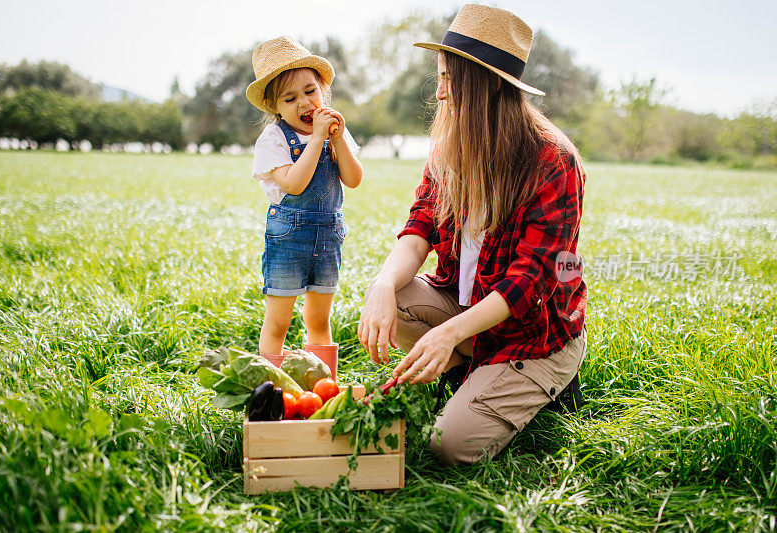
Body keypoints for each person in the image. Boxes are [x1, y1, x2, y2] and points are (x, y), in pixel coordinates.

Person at [358, 4, 588, 465]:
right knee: (395, 297)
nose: (439, 93)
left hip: (533, 333)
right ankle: (473, 368)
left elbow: (528, 283)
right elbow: (419, 227)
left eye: (448, 79)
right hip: (471, 314)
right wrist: (381, 284)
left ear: (480, 86)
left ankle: (547, 381)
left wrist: (446, 335)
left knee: (450, 446)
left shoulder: (554, 161)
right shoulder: (450, 148)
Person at [246, 36, 363, 376]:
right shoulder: (274, 139)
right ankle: (271, 391)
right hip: (289, 241)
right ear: (274, 107)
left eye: (311, 91)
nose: (305, 103)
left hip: (327, 239)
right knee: (278, 322)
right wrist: (318, 140)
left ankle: (322, 389)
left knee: (319, 320)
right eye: (290, 97)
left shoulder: (335, 132)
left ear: (323, 90)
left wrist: (337, 138)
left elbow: (353, 179)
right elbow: (295, 182)